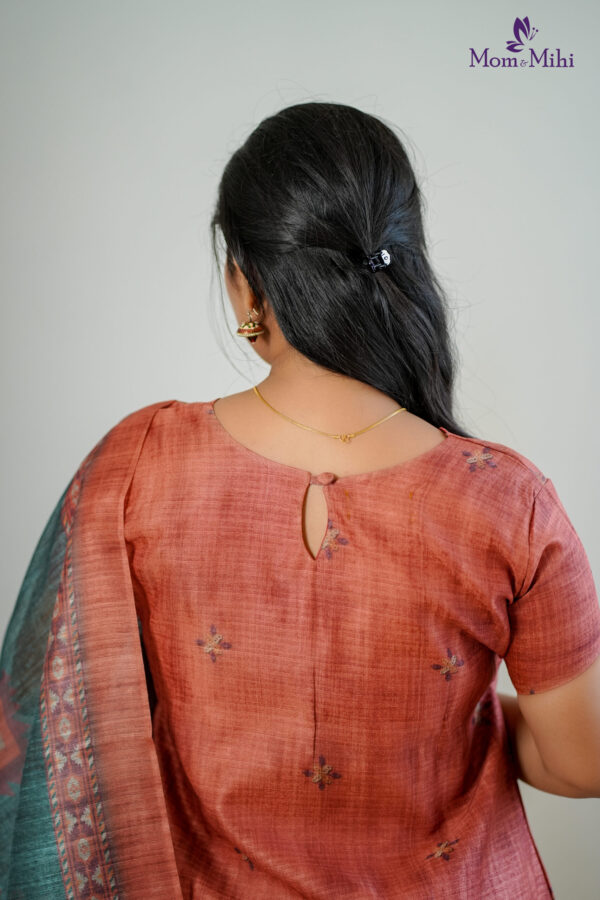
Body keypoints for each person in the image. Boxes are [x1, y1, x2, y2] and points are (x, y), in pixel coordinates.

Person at [1, 101, 599, 899]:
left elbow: (48, 724)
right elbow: (580, 761)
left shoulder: (136, 466)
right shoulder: (508, 501)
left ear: (245, 283)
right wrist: (449, 715)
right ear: (401, 266)